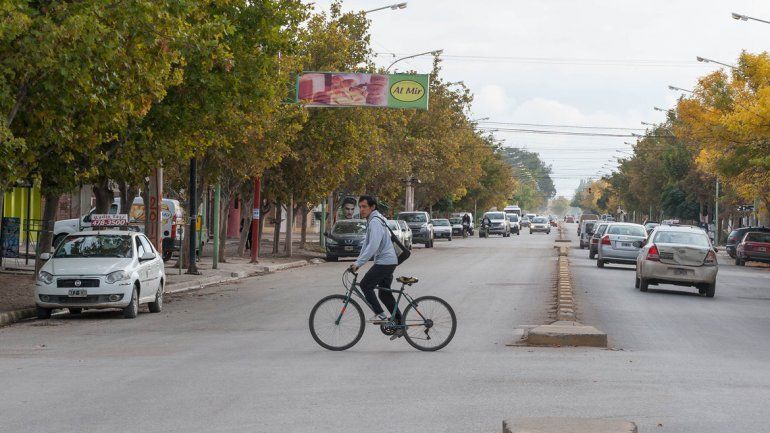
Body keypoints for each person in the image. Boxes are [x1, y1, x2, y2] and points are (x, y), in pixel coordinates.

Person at [350, 195, 403, 339]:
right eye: (360, 207)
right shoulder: (376, 219)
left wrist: (359, 263)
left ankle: (380, 314)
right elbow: (366, 245)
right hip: (388, 261)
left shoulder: (374, 221)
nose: (361, 209)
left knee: (366, 285)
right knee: (384, 294)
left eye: (364, 207)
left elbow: (373, 246)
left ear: (372, 207)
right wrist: (357, 262)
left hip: (385, 262)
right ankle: (399, 324)